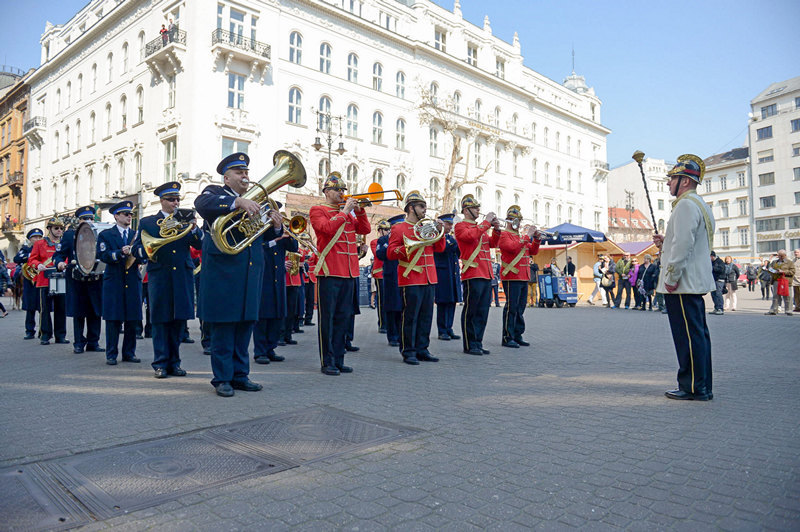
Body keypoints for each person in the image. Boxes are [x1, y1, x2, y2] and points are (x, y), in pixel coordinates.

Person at [195, 152, 269, 396]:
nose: (245, 175)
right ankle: (222, 378)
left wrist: (275, 223)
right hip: (224, 273)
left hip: (249, 273)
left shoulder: (255, 199)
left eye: (246, 172)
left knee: (245, 324)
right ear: (227, 178)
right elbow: (201, 204)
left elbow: (262, 234)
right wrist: (238, 203)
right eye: (239, 172)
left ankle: (240, 375)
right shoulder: (214, 193)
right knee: (224, 326)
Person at [653, 154, 715, 401]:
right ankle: (702, 385)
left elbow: (684, 246)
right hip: (692, 282)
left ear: (685, 182)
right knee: (698, 336)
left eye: (672, 179)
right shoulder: (699, 204)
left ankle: (692, 387)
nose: (669, 184)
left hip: (682, 284)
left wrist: (671, 276)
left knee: (687, 337)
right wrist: (665, 241)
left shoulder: (685, 205)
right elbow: (686, 242)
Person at [133, 183, 202, 378]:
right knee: (161, 321)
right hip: (161, 275)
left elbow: (199, 244)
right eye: (171, 199)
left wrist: (195, 229)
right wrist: (146, 251)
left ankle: (175, 362)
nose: (176, 203)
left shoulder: (185, 221)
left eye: (177, 199)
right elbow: (137, 248)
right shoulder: (148, 222)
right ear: (162, 201)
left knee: (178, 320)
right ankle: (160, 363)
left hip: (182, 275)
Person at [309, 172, 371, 375]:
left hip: (349, 271)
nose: (342, 193)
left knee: (344, 317)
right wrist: (345, 211)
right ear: (327, 191)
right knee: (328, 318)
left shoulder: (349, 213)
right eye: (337, 190)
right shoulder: (318, 209)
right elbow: (326, 229)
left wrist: (360, 212)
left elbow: (364, 228)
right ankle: (327, 361)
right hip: (330, 271)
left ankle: (339, 359)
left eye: (343, 190)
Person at [386, 191, 446, 364]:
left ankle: (422, 348)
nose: (425, 209)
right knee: (410, 316)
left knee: (426, 316)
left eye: (425, 206)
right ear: (411, 208)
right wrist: (408, 249)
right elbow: (391, 252)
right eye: (421, 206)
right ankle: (408, 350)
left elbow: (439, 248)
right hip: (410, 277)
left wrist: (440, 231)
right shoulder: (398, 228)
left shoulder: (427, 226)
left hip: (429, 277)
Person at [97, 201, 146, 364]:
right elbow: (103, 255)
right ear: (116, 216)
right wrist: (119, 253)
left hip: (132, 280)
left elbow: (143, 255)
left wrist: (139, 254)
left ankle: (129, 353)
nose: (129, 217)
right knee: (113, 319)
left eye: (130, 214)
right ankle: (111, 354)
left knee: (132, 318)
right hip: (114, 280)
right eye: (126, 214)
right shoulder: (106, 235)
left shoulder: (136, 235)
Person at [52, 206, 104, 354]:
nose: (88, 221)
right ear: (79, 220)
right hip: (77, 279)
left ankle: (93, 342)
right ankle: (79, 343)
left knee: (95, 311)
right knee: (79, 312)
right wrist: (59, 263)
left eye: (90, 219)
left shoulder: (98, 233)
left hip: (95, 278)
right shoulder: (70, 235)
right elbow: (59, 255)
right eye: (84, 219)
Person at [454, 194, 501, 356]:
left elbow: (493, 244)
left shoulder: (480, 228)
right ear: (466, 210)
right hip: (472, 273)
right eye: (475, 208)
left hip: (486, 274)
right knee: (471, 311)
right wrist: (487, 222)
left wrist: (496, 229)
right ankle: (469, 344)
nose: (478, 210)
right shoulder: (461, 226)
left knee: (482, 311)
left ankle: (478, 342)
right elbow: (470, 236)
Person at [252, 203, 294, 365]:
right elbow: (257, 247)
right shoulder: (258, 229)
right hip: (264, 276)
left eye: (274, 211)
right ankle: (260, 351)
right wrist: (275, 239)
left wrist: (283, 231)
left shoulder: (281, 228)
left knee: (278, 313)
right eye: (270, 212)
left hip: (278, 276)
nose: (273, 215)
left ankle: (271, 348)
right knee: (263, 315)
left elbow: (293, 246)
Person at [498, 206, 541, 348]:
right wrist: (528, 235)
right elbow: (512, 248)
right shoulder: (505, 235)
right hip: (512, 275)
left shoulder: (520, 237)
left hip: (523, 276)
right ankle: (507, 336)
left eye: (519, 220)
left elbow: (532, 251)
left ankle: (517, 334)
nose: (518, 223)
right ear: (508, 220)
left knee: (521, 307)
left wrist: (536, 239)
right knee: (512, 307)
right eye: (515, 220)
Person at [28, 216, 68, 345]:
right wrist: (38, 265)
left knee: (61, 308)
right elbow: (32, 259)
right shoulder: (40, 243)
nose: (59, 231)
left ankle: (60, 335)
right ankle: (45, 335)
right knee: (44, 308)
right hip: (44, 279)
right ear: (49, 229)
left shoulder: (64, 243)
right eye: (56, 228)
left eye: (61, 228)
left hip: (61, 278)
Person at [376, 214, 404, 346]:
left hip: (405, 276)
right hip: (391, 276)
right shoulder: (383, 240)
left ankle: (402, 335)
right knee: (392, 306)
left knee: (403, 307)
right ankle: (392, 335)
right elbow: (380, 254)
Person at [433, 213, 461, 341]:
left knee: (452, 301)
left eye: (451, 224)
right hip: (442, 274)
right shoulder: (438, 236)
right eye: (448, 224)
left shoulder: (451, 238)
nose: (450, 227)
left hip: (452, 273)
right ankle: (442, 330)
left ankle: (449, 327)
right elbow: (444, 248)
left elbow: (458, 252)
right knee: (443, 302)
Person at [14, 228, 44, 339]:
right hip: (29, 281)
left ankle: (43, 330)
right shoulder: (26, 249)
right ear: (30, 239)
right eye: (34, 237)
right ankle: (29, 330)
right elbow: (17, 258)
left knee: (42, 307)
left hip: (41, 279)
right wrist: (30, 257)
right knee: (30, 307)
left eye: (39, 237)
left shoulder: (44, 248)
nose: (37, 239)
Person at [371, 220, 390, 333]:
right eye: (386, 230)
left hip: (390, 272)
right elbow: (377, 254)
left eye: (389, 229)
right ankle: (382, 323)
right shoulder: (375, 242)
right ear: (380, 231)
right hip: (380, 272)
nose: (388, 231)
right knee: (382, 299)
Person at [764, 249, 795, 316]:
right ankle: (773, 310)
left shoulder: (789, 262)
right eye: (779, 256)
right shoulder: (775, 262)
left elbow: (792, 272)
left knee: (787, 296)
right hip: (776, 281)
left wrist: (783, 272)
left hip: (786, 281)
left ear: (785, 255)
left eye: (782, 256)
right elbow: (769, 269)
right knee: (776, 296)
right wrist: (773, 271)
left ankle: (788, 310)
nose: (780, 257)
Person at [709, 251, 726, 315]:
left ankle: (720, 308)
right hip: (713, 280)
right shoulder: (711, 262)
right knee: (713, 294)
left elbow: (721, 270)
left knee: (718, 294)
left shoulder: (720, 262)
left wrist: (712, 268)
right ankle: (716, 307)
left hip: (719, 280)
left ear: (712, 256)